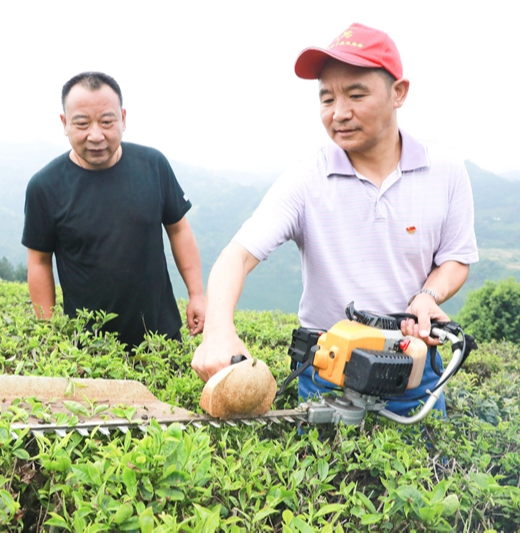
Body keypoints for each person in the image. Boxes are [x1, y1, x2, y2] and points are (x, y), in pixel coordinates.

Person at [191, 23, 478, 416]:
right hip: (328, 369)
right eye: (327, 99)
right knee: (325, 476)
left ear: (399, 93)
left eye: (356, 94)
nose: (339, 113)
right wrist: (218, 331)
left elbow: (455, 258)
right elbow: (236, 257)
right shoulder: (307, 179)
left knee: (426, 474)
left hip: (414, 368)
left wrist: (427, 296)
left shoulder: (445, 170)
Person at [22, 71, 205, 348]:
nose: (95, 135)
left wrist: (197, 294)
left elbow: (178, 230)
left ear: (123, 118)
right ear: (65, 123)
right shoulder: (45, 187)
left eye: (107, 121)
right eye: (82, 123)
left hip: (160, 337)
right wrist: (48, 330)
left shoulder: (153, 166)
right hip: (87, 347)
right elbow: (39, 261)